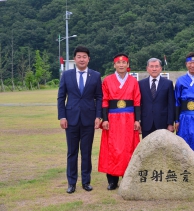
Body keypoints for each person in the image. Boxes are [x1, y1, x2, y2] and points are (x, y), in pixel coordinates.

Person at [57, 46, 102, 194]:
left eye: (84, 57)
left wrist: (98, 116)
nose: (82, 59)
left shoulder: (95, 76)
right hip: (71, 119)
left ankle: (86, 181)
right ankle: (71, 183)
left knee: (87, 152)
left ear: (88, 59)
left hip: (89, 119)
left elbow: (99, 97)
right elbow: (61, 97)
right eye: (79, 56)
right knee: (72, 152)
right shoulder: (66, 75)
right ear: (75, 59)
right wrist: (62, 116)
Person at [98, 53, 141, 190]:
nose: (121, 65)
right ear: (114, 65)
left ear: (128, 65)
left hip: (129, 118)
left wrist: (137, 120)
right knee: (112, 148)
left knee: (128, 148)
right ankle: (112, 180)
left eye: (124, 63)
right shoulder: (107, 80)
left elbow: (137, 101)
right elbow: (104, 100)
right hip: (113, 119)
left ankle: (128, 178)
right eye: (118, 63)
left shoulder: (133, 81)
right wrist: (104, 119)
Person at [138, 58, 175, 138]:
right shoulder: (140, 84)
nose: (154, 69)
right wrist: (139, 122)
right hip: (146, 122)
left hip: (163, 123)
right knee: (147, 148)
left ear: (160, 68)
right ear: (147, 68)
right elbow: (139, 104)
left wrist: (170, 123)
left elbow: (171, 104)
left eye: (156, 66)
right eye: (151, 66)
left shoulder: (168, 83)